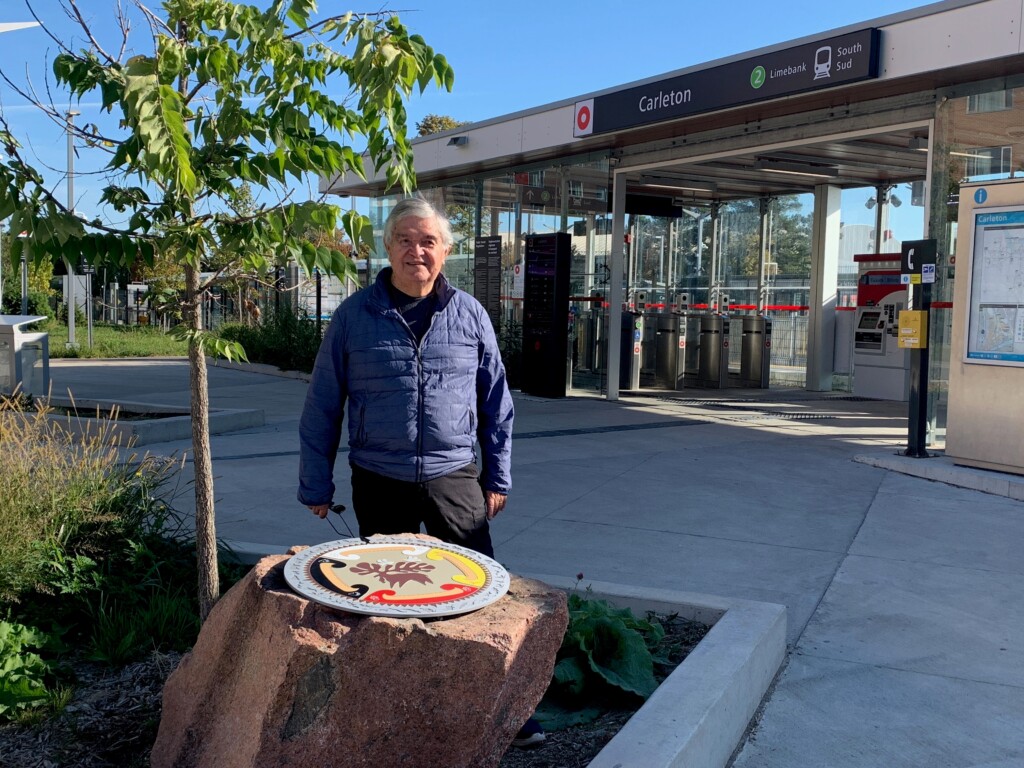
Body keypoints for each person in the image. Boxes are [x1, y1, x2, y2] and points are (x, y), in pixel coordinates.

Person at [297, 197, 542, 747]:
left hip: (454, 475)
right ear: (387, 247)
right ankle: (387, 703)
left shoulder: (470, 314)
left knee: (478, 594)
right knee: (382, 601)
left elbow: (496, 401)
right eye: (405, 240)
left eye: (428, 241)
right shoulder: (354, 317)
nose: (417, 251)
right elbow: (322, 406)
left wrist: (497, 475)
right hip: (378, 477)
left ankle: (505, 708)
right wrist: (317, 484)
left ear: (446, 251)